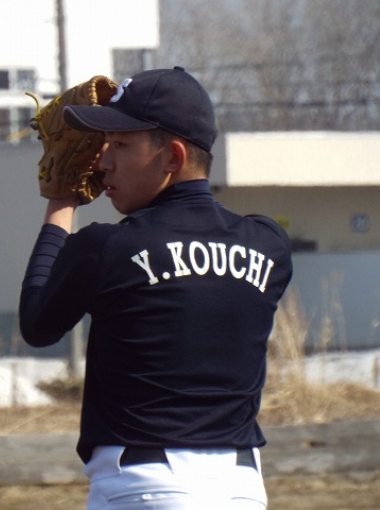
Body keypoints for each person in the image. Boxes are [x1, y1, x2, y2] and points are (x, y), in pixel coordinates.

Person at [18, 67, 293, 509]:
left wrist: (61, 202)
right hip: (241, 489)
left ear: (173, 157)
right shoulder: (268, 244)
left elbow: (37, 324)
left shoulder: (107, 247)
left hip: (145, 486)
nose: (102, 161)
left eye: (121, 144)